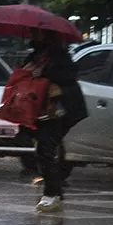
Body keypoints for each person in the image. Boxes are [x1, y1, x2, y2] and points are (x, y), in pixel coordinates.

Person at [23, 32, 87, 211]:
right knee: (46, 149)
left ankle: (52, 194)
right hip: (42, 109)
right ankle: (55, 191)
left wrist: (44, 73)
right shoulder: (35, 55)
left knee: (46, 148)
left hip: (59, 109)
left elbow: (67, 77)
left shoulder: (60, 57)